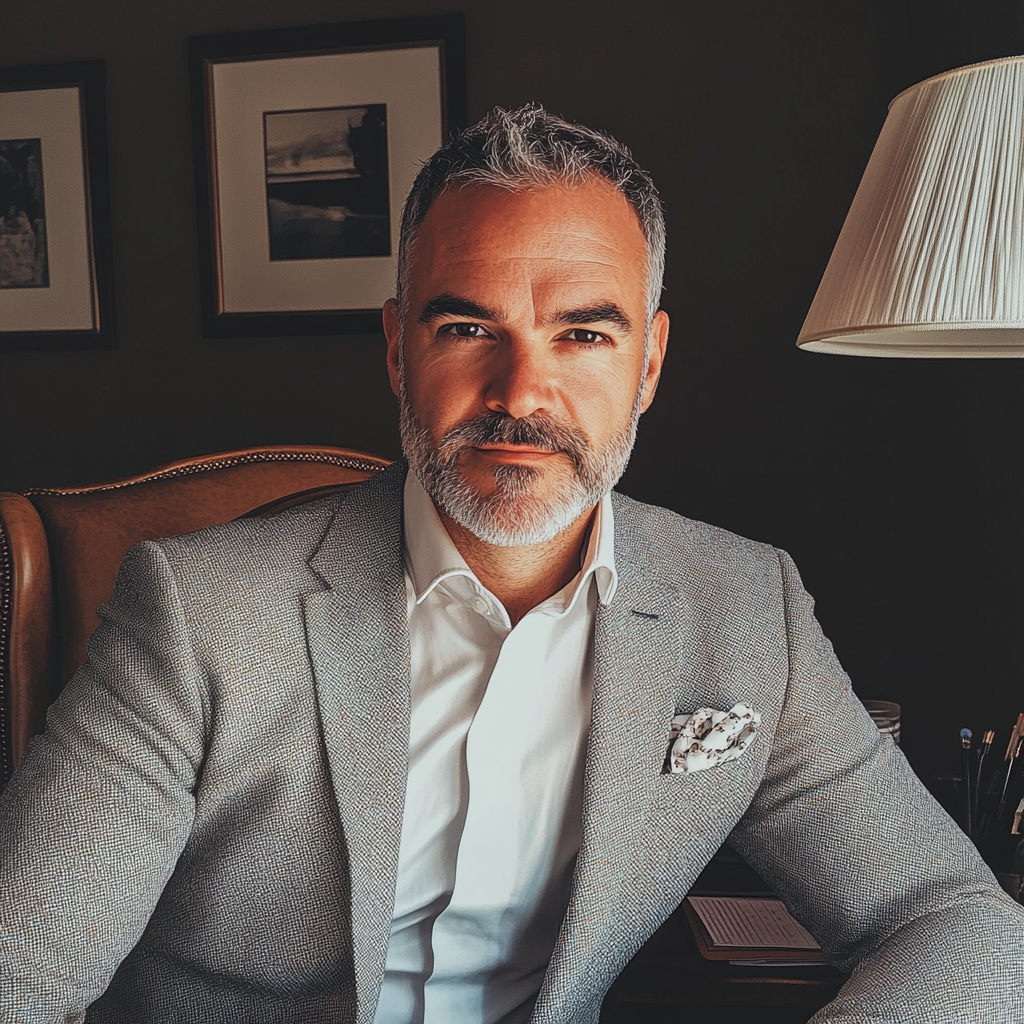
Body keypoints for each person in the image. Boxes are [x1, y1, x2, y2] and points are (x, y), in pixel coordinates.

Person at [1, 105, 1022, 1024]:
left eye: (582, 332)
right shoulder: (195, 613)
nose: (520, 391)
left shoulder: (750, 609)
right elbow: (19, 973)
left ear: (649, 364)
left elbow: (952, 913)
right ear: (399, 349)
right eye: (466, 327)